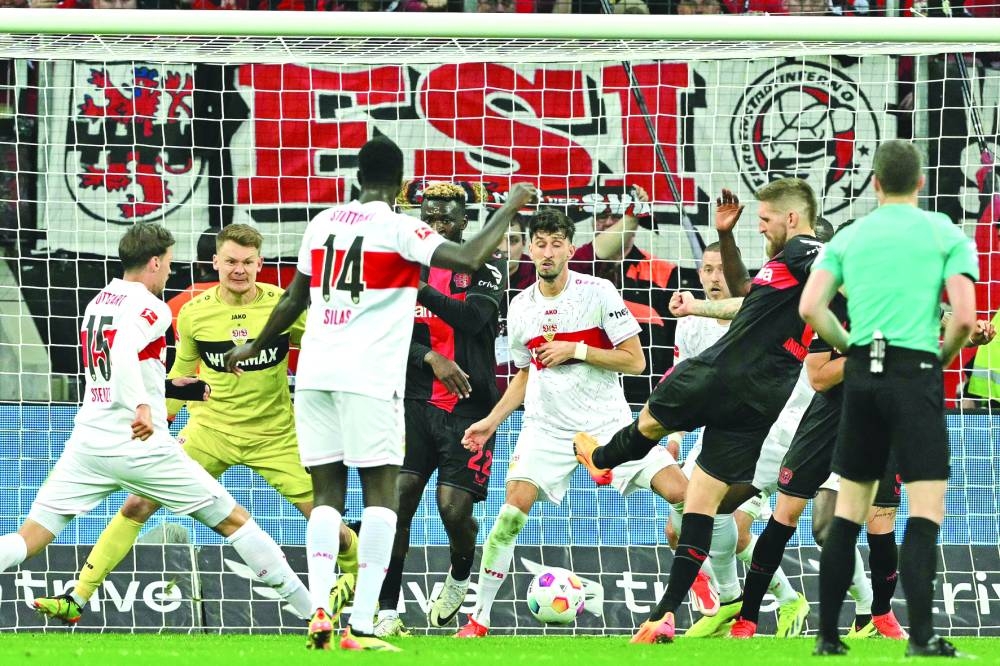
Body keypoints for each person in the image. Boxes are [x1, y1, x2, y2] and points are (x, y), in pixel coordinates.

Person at [224, 136, 535, 651]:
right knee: (384, 499)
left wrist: (253, 346)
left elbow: (293, 301)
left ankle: (320, 608)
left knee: (327, 495)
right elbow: (469, 255)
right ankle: (364, 624)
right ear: (400, 181)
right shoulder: (398, 228)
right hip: (368, 379)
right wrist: (511, 205)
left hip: (315, 374)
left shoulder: (323, 223)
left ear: (357, 176)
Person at [34, 223, 359, 625]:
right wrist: (160, 423)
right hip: (210, 431)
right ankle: (77, 596)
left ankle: (360, 583)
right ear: (215, 262)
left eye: (247, 262)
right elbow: (180, 374)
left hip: (275, 435)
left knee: (327, 521)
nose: (239, 270)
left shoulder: (283, 306)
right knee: (137, 503)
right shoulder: (192, 313)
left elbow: (324, 349)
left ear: (261, 263)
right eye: (231, 261)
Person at [574, 178, 823, 644]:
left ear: (792, 218)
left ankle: (602, 459)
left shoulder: (807, 250)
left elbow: (827, 260)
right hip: (765, 398)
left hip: (727, 372)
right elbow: (748, 291)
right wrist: (725, 236)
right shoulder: (788, 272)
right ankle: (663, 616)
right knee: (700, 506)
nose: (761, 227)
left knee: (650, 421)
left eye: (766, 219)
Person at [454, 208, 687, 638]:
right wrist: (491, 421)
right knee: (509, 516)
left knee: (686, 497)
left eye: (556, 244)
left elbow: (635, 361)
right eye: (539, 244)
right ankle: (479, 618)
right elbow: (524, 374)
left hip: (608, 424)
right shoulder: (521, 306)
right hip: (546, 428)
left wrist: (576, 350)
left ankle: (713, 586)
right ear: (530, 249)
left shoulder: (598, 292)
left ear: (569, 248)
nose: (547, 252)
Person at [799, 139, 978, 657]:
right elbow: (964, 319)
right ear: (920, 182)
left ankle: (828, 637)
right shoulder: (944, 232)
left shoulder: (850, 237)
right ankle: (921, 637)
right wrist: (939, 359)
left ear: (874, 183)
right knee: (924, 511)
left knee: (849, 510)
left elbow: (811, 306)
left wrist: (852, 346)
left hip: (864, 375)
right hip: (915, 373)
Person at [374, 182, 506, 636]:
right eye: (428, 217)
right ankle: (386, 611)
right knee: (398, 502)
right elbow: (385, 334)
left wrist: (417, 288)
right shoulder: (400, 265)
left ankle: (461, 570)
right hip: (412, 403)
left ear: (464, 222)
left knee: (453, 510)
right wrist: (429, 356)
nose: (436, 225)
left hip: (470, 408)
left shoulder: (486, 263)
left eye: (446, 218)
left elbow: (473, 318)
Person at [665, 242, 806, 638]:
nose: (714, 278)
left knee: (731, 524)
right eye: (707, 269)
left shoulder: (760, 315)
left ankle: (756, 600)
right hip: (717, 431)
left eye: (720, 269)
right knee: (677, 530)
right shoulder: (690, 323)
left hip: (766, 432)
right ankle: (745, 599)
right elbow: (681, 381)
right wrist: (674, 436)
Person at [568, 186, 678, 408]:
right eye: (601, 216)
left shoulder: (664, 271)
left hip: (646, 395)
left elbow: (673, 342)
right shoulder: (575, 269)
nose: (608, 223)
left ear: (632, 225)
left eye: (617, 216)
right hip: (586, 392)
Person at [495, 212, 536, 393]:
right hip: (484, 387)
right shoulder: (470, 276)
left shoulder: (540, 274)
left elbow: (593, 253)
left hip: (532, 384)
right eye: (498, 240)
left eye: (512, 240)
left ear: (525, 244)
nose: (504, 248)